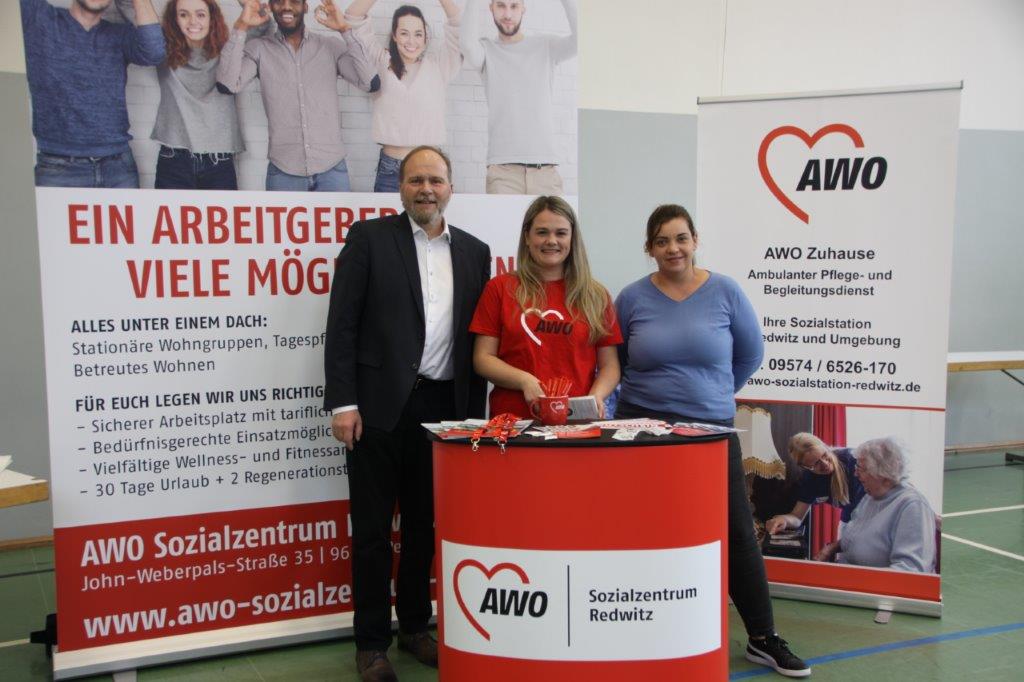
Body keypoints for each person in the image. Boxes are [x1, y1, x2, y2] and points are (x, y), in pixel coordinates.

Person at [614, 204, 810, 678]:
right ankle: (639, 626)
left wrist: (713, 394)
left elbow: (750, 355)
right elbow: (616, 362)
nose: (673, 249)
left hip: (710, 431)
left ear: (695, 240)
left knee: (738, 533)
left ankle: (763, 638)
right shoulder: (631, 298)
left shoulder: (726, 291)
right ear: (649, 248)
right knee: (641, 528)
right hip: (642, 428)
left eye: (680, 238)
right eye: (662, 241)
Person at [323, 146, 491, 682]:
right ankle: (372, 644)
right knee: (373, 533)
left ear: (451, 187)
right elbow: (342, 325)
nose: (426, 189)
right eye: (416, 180)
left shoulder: (476, 252)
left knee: (424, 526)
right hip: (376, 408)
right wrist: (344, 402)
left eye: (435, 180)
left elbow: (476, 339)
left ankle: (415, 627)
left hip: (444, 412)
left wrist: (472, 419)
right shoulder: (370, 239)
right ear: (400, 188)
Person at [470, 195, 620, 419]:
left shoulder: (596, 296)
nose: (551, 240)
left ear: (572, 238)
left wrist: (596, 396)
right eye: (542, 232)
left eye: (561, 233)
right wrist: (524, 380)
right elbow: (483, 359)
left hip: (576, 422)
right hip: (513, 423)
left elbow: (610, 366)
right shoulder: (499, 288)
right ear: (527, 237)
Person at [217, 0, 377, 191]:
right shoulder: (259, 48)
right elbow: (227, 84)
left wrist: (345, 29)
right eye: (279, 1)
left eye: (294, 1)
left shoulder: (331, 46)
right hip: (283, 172)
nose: (286, 6)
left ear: (305, 6)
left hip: (332, 171)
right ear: (271, 7)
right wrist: (241, 26)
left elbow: (370, 82)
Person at [21, 0, 165, 188]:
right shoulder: (40, 21)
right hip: (58, 168)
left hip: (118, 167)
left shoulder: (119, 35)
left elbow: (154, 52)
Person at [115, 0, 257, 189]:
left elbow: (261, 29)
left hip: (219, 163)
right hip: (173, 161)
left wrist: (249, 4)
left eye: (200, 14)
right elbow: (127, 6)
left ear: (212, 18)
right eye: (183, 15)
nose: (192, 21)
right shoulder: (162, 48)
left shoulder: (229, 52)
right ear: (175, 19)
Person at [343, 0, 463, 192]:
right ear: (394, 36)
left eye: (418, 34)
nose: (411, 41)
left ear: (425, 37)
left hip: (429, 168)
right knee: (387, 214)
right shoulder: (381, 61)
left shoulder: (439, 66)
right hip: (390, 169)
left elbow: (460, 28)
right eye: (404, 33)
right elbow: (352, 18)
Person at [460, 0, 576, 195]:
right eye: (501, 6)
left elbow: (580, 40)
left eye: (514, 6)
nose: (507, 14)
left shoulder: (546, 45)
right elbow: (466, 45)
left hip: (545, 171)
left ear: (523, 9)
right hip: (503, 172)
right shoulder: (486, 50)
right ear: (491, 8)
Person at [815, 438, 938, 572]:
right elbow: (853, 538)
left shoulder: (912, 506)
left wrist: (855, 579)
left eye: (860, 468)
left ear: (883, 473)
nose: (855, 474)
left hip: (871, 583)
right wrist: (831, 548)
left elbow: (910, 570)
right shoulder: (870, 497)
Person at [765, 432, 866, 535]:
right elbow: (797, 517)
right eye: (816, 463)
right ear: (805, 467)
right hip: (850, 521)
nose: (825, 464)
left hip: (872, 514)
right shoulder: (810, 480)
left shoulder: (853, 459)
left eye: (824, 455)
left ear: (825, 446)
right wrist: (784, 520)